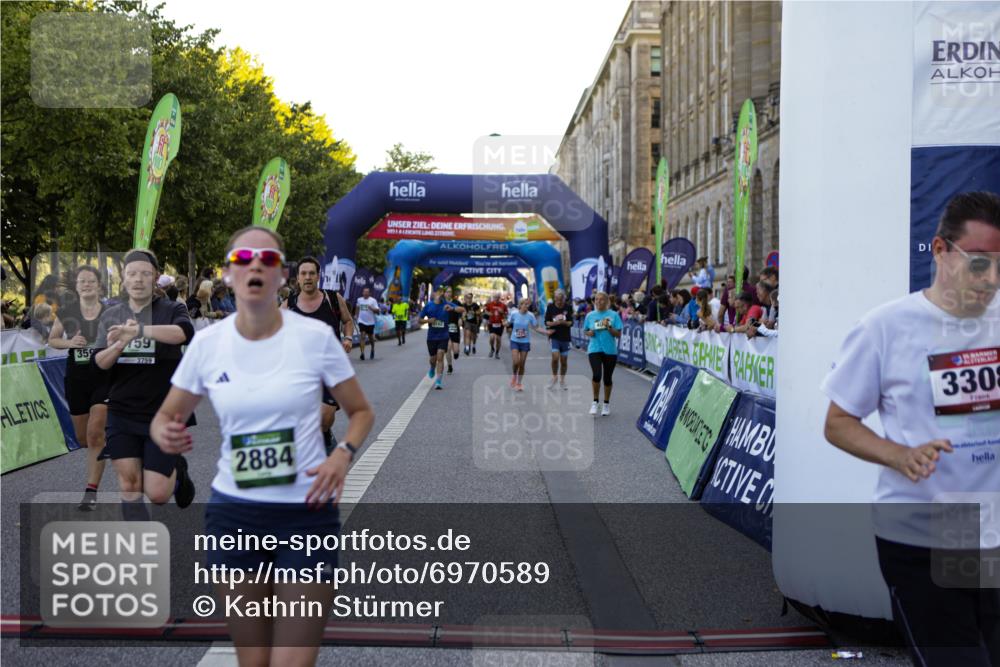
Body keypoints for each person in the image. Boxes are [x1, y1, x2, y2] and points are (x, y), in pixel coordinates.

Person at [151, 226, 374, 665]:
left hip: (306, 514)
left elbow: (361, 412)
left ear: (281, 275)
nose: (255, 265)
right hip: (235, 514)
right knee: (253, 660)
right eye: (243, 259)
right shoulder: (209, 344)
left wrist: (342, 455)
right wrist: (164, 432)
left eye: (267, 259)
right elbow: (166, 415)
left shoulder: (315, 339)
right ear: (228, 274)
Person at [822, 191, 1000, 667]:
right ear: (940, 250)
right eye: (979, 263)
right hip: (924, 531)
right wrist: (899, 455)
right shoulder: (886, 327)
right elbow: (838, 423)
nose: (991, 279)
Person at [93, 249, 196, 512]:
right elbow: (99, 362)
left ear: (156, 277)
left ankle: (178, 473)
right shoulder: (111, 315)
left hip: (164, 411)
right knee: (129, 485)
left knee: (158, 494)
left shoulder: (172, 308)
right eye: (132, 274)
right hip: (122, 412)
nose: (138, 279)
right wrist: (119, 345)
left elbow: (183, 333)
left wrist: (139, 330)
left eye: (145, 274)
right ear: (124, 278)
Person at [48, 266, 110, 510]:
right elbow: (53, 339)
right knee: (84, 439)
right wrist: (70, 342)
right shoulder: (67, 311)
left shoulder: (110, 312)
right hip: (77, 378)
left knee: (95, 434)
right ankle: (108, 439)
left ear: (99, 286)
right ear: (76, 286)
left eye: (91, 281)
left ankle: (90, 492)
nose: (86, 285)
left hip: (104, 377)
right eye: (82, 281)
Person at [282, 256, 355, 453]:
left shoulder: (333, 299)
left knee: (326, 416)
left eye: (311, 273)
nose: (308, 277)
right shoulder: (288, 304)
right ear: (298, 278)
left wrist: (348, 338)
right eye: (303, 274)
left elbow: (348, 321)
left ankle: (325, 434)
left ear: (318, 276)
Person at [583, 291, 622, 416]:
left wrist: (609, 327)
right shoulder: (590, 315)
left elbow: (618, 334)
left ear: (607, 301)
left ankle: (606, 404)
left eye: (601, 299)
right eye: (596, 299)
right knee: (596, 375)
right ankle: (595, 402)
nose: (598, 301)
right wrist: (589, 333)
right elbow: (585, 330)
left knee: (607, 378)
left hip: (610, 350)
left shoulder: (614, 315)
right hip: (594, 349)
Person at [418, 287, 455, 390]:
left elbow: (460, 309)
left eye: (441, 292)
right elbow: (419, 320)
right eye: (438, 292)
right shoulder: (428, 305)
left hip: (443, 336)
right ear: (434, 294)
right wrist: (428, 321)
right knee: (433, 359)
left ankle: (438, 381)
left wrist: (454, 310)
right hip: (431, 337)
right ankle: (432, 367)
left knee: (440, 356)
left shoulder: (446, 304)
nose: (440, 294)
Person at [506, 298, 538, 392]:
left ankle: (519, 383)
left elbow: (536, 327)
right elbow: (508, 323)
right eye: (524, 304)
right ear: (520, 305)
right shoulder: (514, 313)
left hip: (525, 342)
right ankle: (514, 375)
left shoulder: (530, 315)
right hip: (514, 341)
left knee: (522, 363)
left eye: (528, 304)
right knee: (516, 362)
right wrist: (505, 323)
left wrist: (546, 332)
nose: (526, 306)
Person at [544, 289, 574, 390]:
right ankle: (554, 377)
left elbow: (571, 322)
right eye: (557, 299)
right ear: (554, 298)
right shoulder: (550, 307)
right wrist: (556, 323)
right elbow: (546, 322)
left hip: (565, 337)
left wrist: (563, 323)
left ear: (564, 299)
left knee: (564, 361)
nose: (559, 302)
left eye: (561, 300)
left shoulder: (568, 307)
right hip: (554, 336)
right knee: (555, 357)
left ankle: (562, 380)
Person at [354, 287, 380, 361]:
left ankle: (372, 349)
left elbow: (378, 311)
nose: (365, 293)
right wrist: (356, 315)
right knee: (362, 336)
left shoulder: (373, 300)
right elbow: (357, 307)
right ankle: (362, 353)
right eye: (364, 292)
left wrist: (371, 308)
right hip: (361, 321)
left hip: (370, 322)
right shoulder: (359, 300)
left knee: (371, 338)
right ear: (362, 293)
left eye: (367, 292)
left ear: (369, 293)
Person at [442, 287, 463, 371]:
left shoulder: (456, 302)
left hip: (455, 328)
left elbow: (461, 311)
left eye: (450, 292)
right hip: (445, 328)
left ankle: (456, 353)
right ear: (444, 293)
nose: (449, 293)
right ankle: (449, 366)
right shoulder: (441, 303)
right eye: (447, 292)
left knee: (456, 351)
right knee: (448, 348)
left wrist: (460, 318)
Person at [484, 292, 508, 359]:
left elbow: (506, 314)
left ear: (499, 298)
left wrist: (502, 312)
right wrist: (489, 313)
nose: (496, 298)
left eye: (497, 297)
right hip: (492, 323)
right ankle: (492, 348)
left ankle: (497, 353)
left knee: (498, 339)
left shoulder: (503, 305)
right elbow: (485, 311)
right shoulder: (490, 304)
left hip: (500, 324)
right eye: (495, 297)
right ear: (493, 297)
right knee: (492, 337)